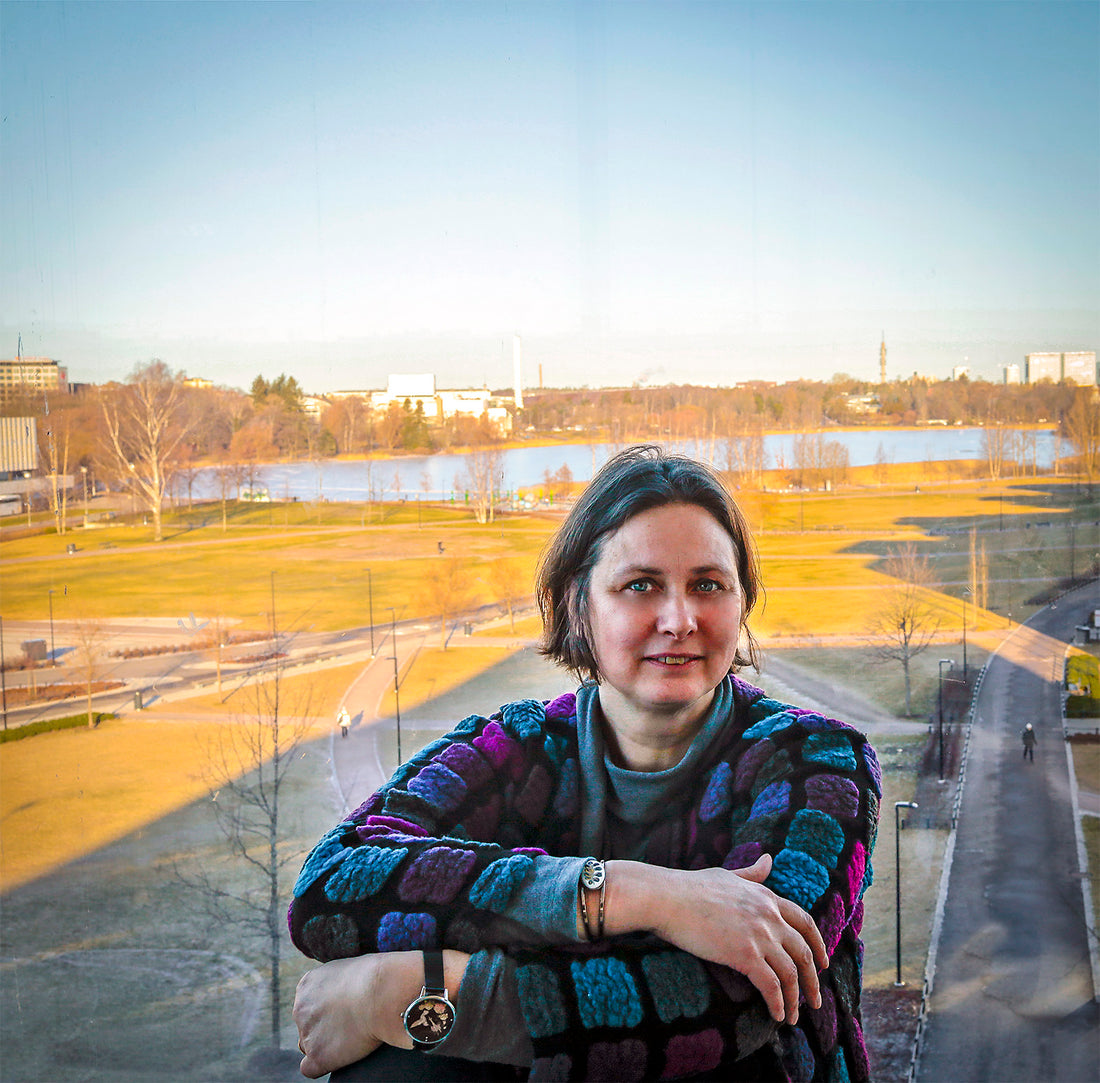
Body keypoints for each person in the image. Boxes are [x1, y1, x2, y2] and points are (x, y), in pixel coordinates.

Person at [290, 446, 881, 1082]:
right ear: (578, 606)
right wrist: (644, 896)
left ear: (741, 603)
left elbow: (735, 996)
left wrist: (407, 992)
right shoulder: (515, 746)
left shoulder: (820, 762)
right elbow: (331, 888)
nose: (680, 620)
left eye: (708, 585)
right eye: (640, 586)